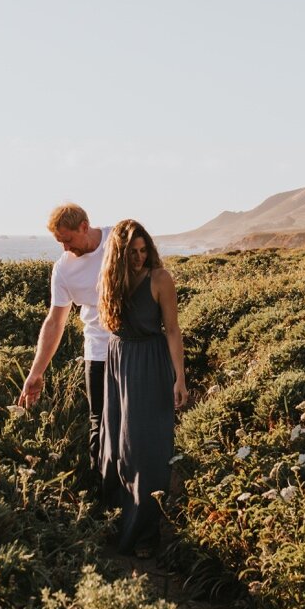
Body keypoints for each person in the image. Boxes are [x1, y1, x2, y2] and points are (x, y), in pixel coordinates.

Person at [95, 219, 187, 556]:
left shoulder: (160, 278)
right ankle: (117, 524)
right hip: (118, 360)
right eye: (132, 252)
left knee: (146, 450)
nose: (139, 257)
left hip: (150, 363)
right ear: (118, 254)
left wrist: (180, 377)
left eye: (143, 250)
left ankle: (146, 534)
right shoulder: (111, 280)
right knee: (114, 446)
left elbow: (173, 330)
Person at [18, 204, 113, 497]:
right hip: (97, 351)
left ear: (85, 226)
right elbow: (55, 321)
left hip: (133, 349)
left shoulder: (117, 241)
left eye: (68, 239)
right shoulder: (63, 268)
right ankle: (106, 495)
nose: (64, 246)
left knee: (132, 422)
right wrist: (36, 373)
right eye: (59, 241)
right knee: (99, 423)